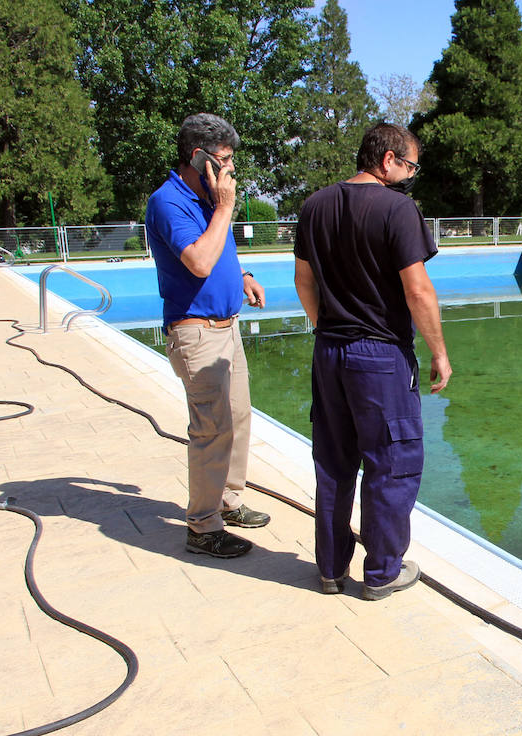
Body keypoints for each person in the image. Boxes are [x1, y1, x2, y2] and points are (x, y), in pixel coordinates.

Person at [293, 122, 451, 600]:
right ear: (387, 160)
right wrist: (439, 352)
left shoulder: (315, 205)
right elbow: (418, 289)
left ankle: (330, 570)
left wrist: (328, 327)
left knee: (334, 462)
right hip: (380, 356)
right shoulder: (397, 209)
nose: (410, 176)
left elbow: (303, 281)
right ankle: (382, 572)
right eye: (409, 165)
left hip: (330, 352)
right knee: (391, 464)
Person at [146, 113, 271, 558]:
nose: (231, 170)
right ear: (198, 159)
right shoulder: (170, 201)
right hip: (195, 332)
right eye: (224, 161)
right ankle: (201, 527)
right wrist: (224, 207)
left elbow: (218, 255)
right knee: (211, 430)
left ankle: (226, 501)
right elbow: (197, 261)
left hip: (227, 327)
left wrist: (241, 276)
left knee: (237, 418)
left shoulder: (205, 197)